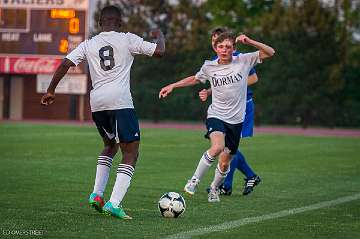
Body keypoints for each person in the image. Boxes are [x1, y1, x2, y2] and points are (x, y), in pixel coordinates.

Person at [40, 5, 165, 219]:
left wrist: (51, 90)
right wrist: (160, 34)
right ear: (120, 22)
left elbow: (64, 64)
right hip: (120, 100)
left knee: (109, 146)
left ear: (99, 23)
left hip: (97, 102)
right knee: (131, 153)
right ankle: (114, 203)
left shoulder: (89, 44)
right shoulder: (127, 38)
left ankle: (97, 195)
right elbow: (160, 52)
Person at [159, 32, 274, 202]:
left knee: (225, 162)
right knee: (217, 147)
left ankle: (214, 188)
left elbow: (270, 52)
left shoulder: (244, 60)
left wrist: (249, 41)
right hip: (216, 115)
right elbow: (195, 78)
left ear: (233, 48)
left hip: (236, 120)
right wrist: (173, 85)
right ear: (215, 48)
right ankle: (194, 181)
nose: (224, 50)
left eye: (228, 47)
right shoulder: (209, 66)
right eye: (220, 47)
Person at [200, 28, 262, 196]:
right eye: (213, 41)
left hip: (243, 107)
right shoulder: (215, 61)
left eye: (217, 39)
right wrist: (209, 91)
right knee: (225, 147)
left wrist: (237, 85)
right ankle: (248, 176)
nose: (215, 43)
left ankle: (225, 185)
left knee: (228, 147)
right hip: (223, 110)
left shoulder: (239, 59)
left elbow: (254, 78)